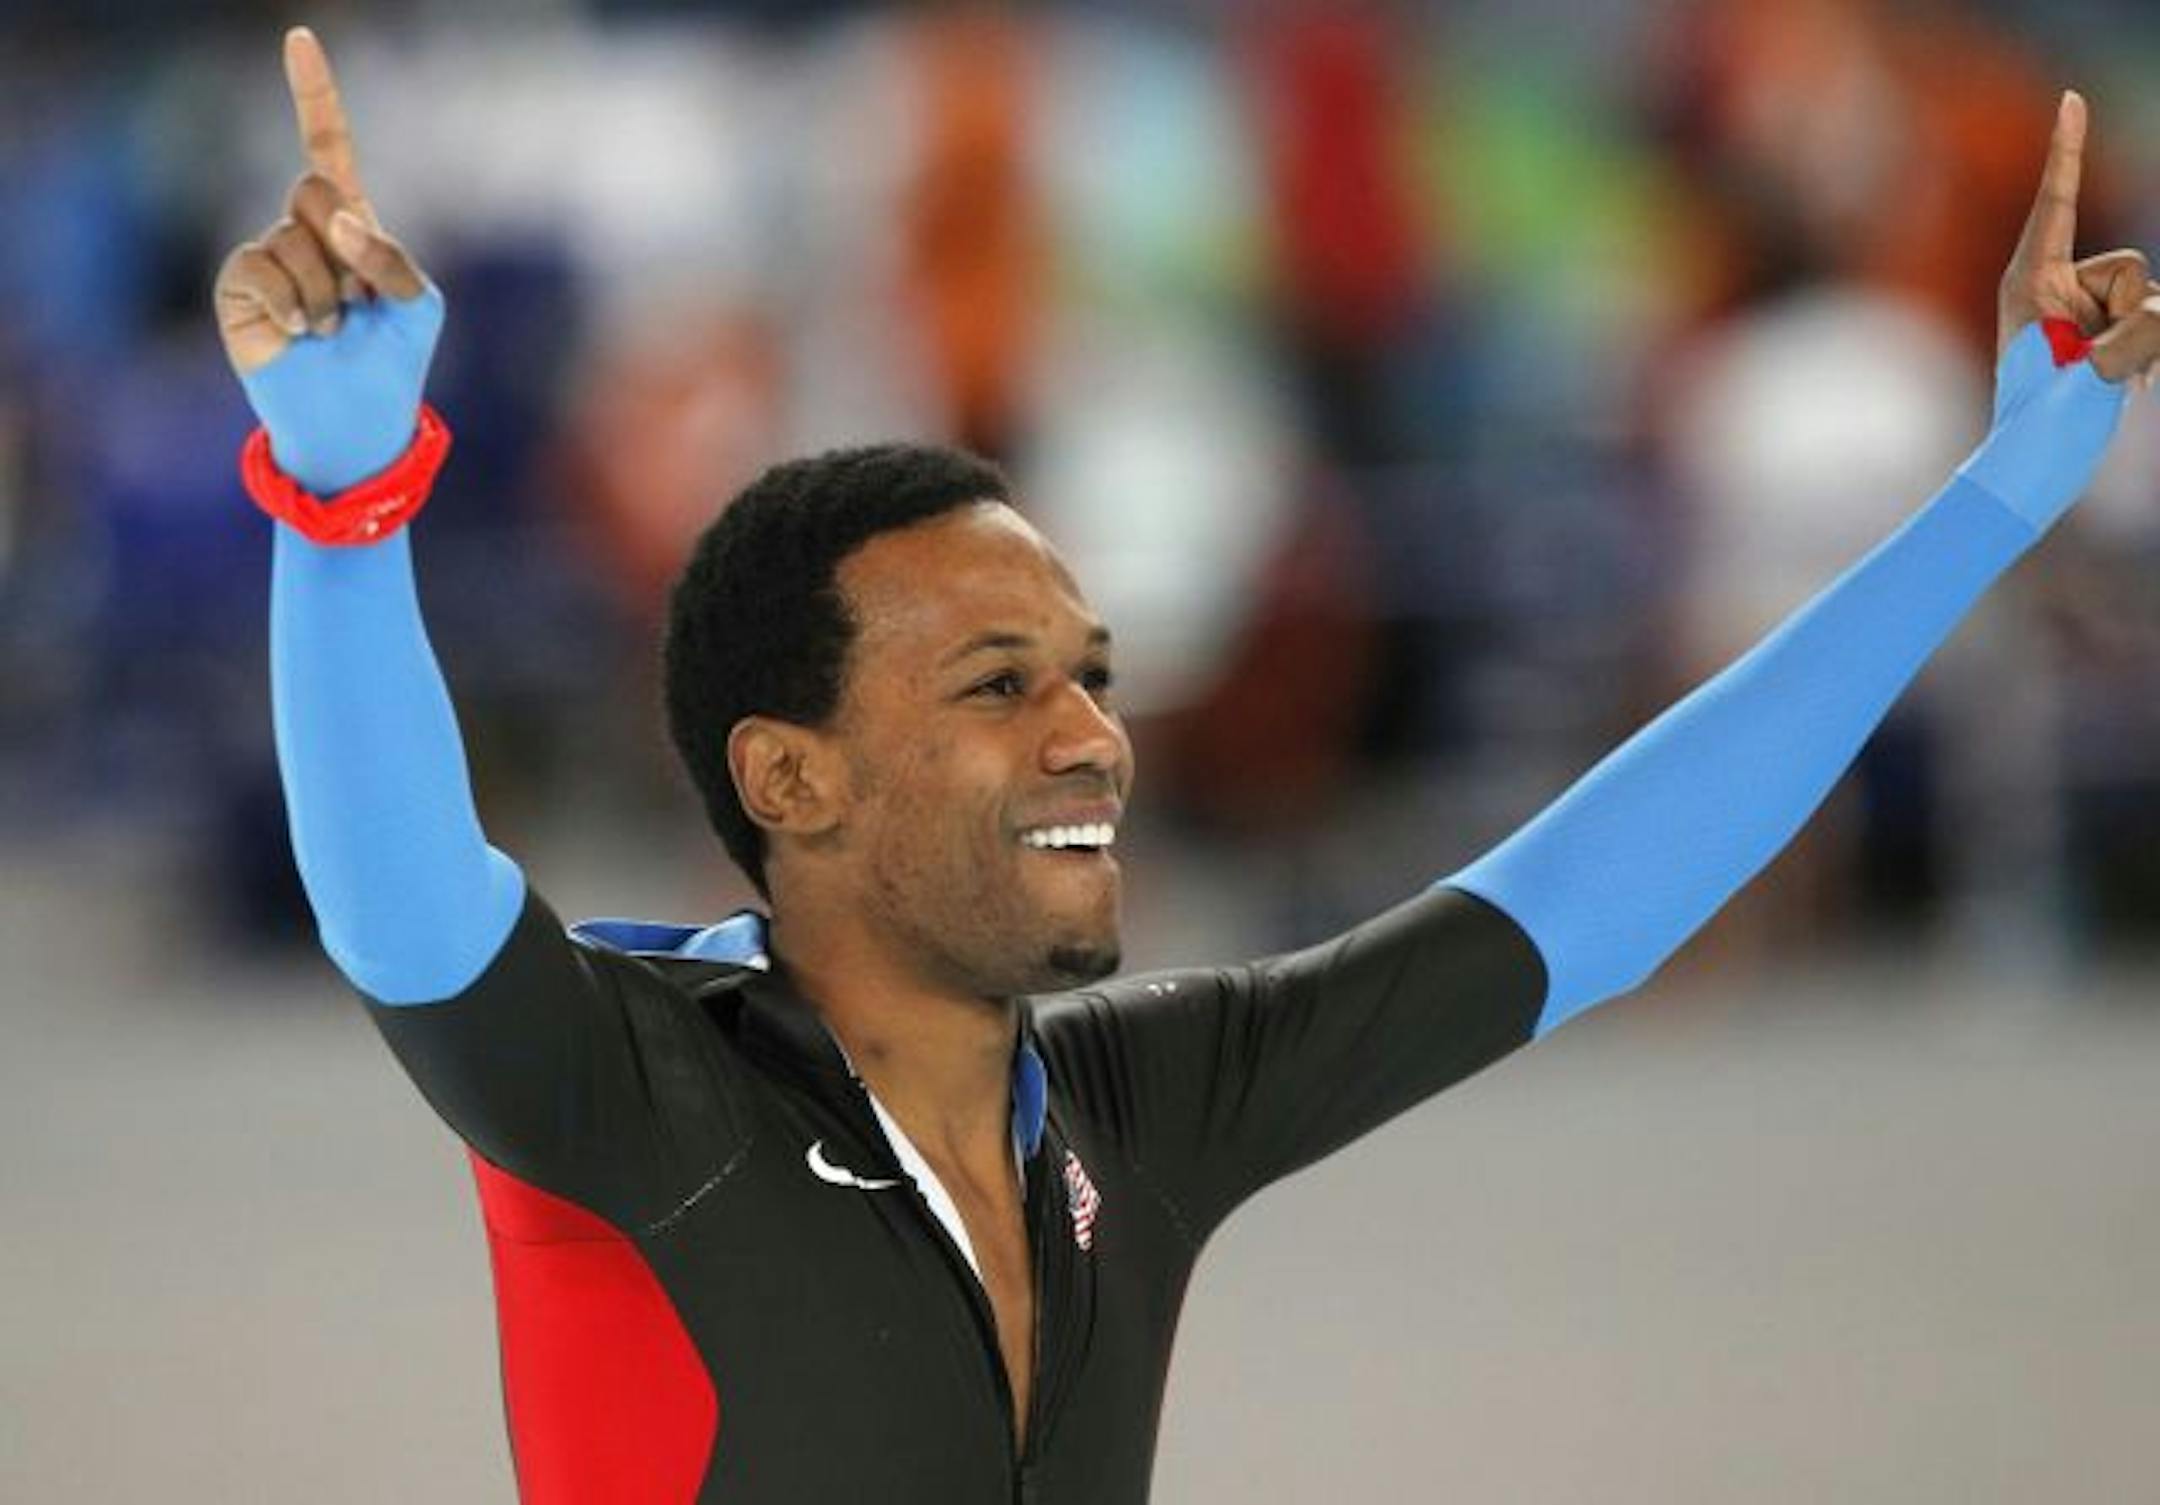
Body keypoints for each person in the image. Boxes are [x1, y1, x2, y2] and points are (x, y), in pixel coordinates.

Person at [215, 26, 2160, 1505]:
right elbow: (401, 899)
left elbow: (1592, 898)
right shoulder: (627, 1094)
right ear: (791, 779)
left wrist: (1994, 504)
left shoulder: (1132, 1109)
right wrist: (341, 502)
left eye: (1090, 674)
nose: (1093, 736)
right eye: (998, 685)